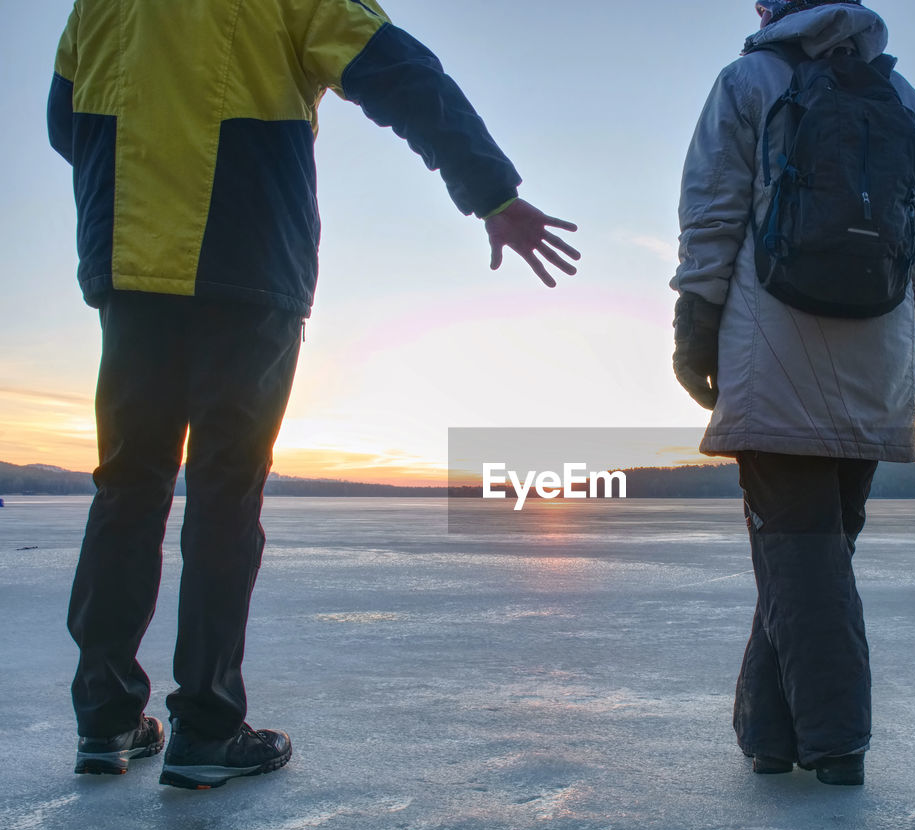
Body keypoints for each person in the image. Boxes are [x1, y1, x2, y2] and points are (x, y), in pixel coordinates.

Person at [51, 0, 580, 789]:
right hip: (249, 260)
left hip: (128, 260)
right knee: (226, 494)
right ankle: (206, 727)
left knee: (127, 487)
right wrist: (492, 192)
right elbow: (401, 75)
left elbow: (67, 122)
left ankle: (106, 717)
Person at [672, 0, 915, 785]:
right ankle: (768, 735)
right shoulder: (908, 104)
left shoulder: (749, 81)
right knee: (813, 561)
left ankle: (836, 744)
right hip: (877, 357)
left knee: (802, 562)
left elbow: (713, 210)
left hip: (775, 351)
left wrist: (694, 322)